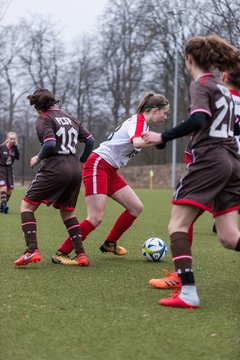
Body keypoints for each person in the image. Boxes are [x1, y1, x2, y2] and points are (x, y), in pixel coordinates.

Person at [142, 35, 240, 309]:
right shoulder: (224, 89)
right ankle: (186, 290)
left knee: (177, 226)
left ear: (189, 59)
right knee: (230, 237)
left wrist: (162, 138)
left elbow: (199, 119)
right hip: (232, 161)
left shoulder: (202, 84)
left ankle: (187, 292)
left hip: (210, 160)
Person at [52, 92, 169, 265]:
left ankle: (109, 243)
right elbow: (137, 142)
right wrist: (159, 139)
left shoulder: (143, 125)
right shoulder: (138, 122)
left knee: (136, 207)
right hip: (98, 165)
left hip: (110, 169)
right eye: (164, 113)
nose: (165, 117)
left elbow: (138, 141)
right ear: (153, 110)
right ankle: (61, 252)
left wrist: (156, 140)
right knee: (95, 217)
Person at [14, 88, 94, 267]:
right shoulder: (71, 117)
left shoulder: (44, 119)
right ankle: (81, 255)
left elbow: (50, 143)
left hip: (56, 167)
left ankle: (31, 250)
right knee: (68, 212)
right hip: (74, 169)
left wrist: (38, 157)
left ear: (36, 105)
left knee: (26, 206)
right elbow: (90, 141)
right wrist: (81, 161)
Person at [0, 131, 20, 214]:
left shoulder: (15, 149)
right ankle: (4, 205)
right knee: (3, 187)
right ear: (7, 139)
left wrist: (16, 148)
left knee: (10, 190)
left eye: (14, 139)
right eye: (11, 139)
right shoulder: (1, 147)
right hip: (1, 169)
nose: (12, 140)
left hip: (9, 170)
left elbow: (18, 157)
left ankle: (2, 206)